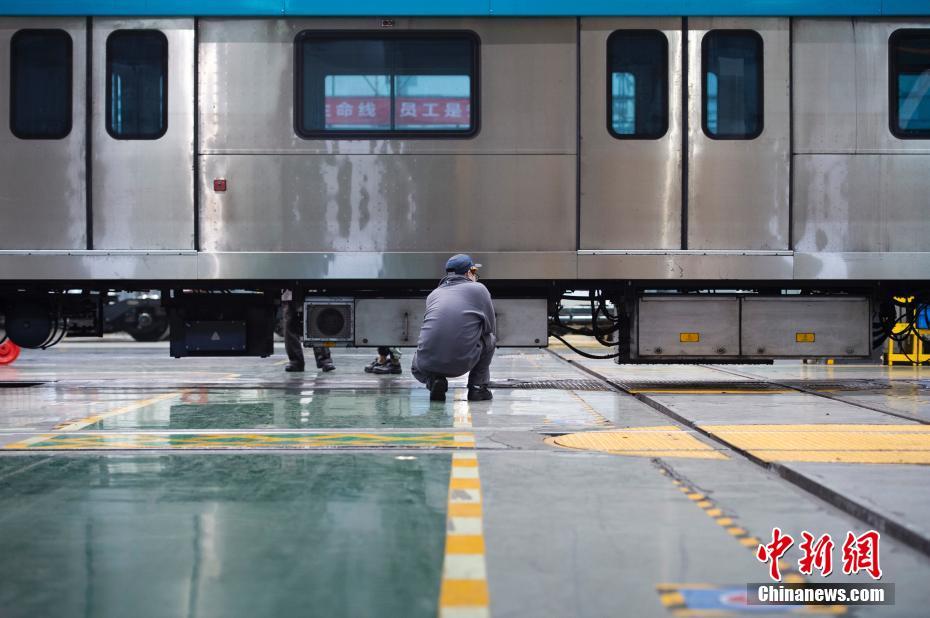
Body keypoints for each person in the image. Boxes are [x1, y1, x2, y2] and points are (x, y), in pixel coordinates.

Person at [411, 254, 495, 402]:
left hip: (425, 365)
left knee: (423, 348)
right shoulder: (479, 289)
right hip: (460, 364)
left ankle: (434, 381)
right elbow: (489, 328)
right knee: (490, 339)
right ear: (468, 272)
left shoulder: (434, 294)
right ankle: (477, 388)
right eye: (474, 271)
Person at [282, 290, 334, 373]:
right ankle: (296, 362)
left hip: (312, 286)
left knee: (315, 320)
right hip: (290, 289)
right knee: (289, 323)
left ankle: (324, 360)